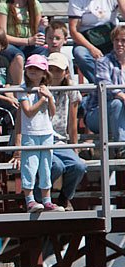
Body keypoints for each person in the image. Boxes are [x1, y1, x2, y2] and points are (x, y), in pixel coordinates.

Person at [17, 54, 61, 212]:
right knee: (30, 166)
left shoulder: (46, 89)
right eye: (30, 68)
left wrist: (48, 98)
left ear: (44, 73)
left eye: (37, 69)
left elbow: (52, 112)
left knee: (45, 167)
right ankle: (29, 200)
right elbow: (28, 112)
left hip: (46, 133)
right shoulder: (23, 89)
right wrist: (43, 99)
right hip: (30, 133)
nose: (33, 71)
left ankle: (47, 200)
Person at [47, 53, 86, 211]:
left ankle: (65, 197)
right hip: (43, 138)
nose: (54, 73)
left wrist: (74, 147)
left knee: (79, 166)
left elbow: (72, 123)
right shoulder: (40, 87)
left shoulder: (71, 90)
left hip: (60, 140)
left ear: (66, 72)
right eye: (51, 69)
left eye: (58, 70)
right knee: (56, 166)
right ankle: (39, 197)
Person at [85, 24, 125, 158]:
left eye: (123, 40)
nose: (119, 44)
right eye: (116, 40)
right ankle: (120, 148)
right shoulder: (103, 61)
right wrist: (123, 97)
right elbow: (106, 86)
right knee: (117, 103)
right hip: (97, 114)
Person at [69, 0, 125, 83]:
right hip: (86, 39)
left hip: (110, 37)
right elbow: (73, 31)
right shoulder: (76, 1)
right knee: (80, 53)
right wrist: (92, 48)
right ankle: (101, 84)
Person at [0, 0, 49, 84]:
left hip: (29, 44)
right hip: (9, 44)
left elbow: (37, 31)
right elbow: (2, 36)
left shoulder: (35, 4)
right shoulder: (4, 5)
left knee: (45, 52)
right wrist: (27, 41)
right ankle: (17, 90)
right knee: (18, 57)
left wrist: (41, 26)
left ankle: (41, 85)